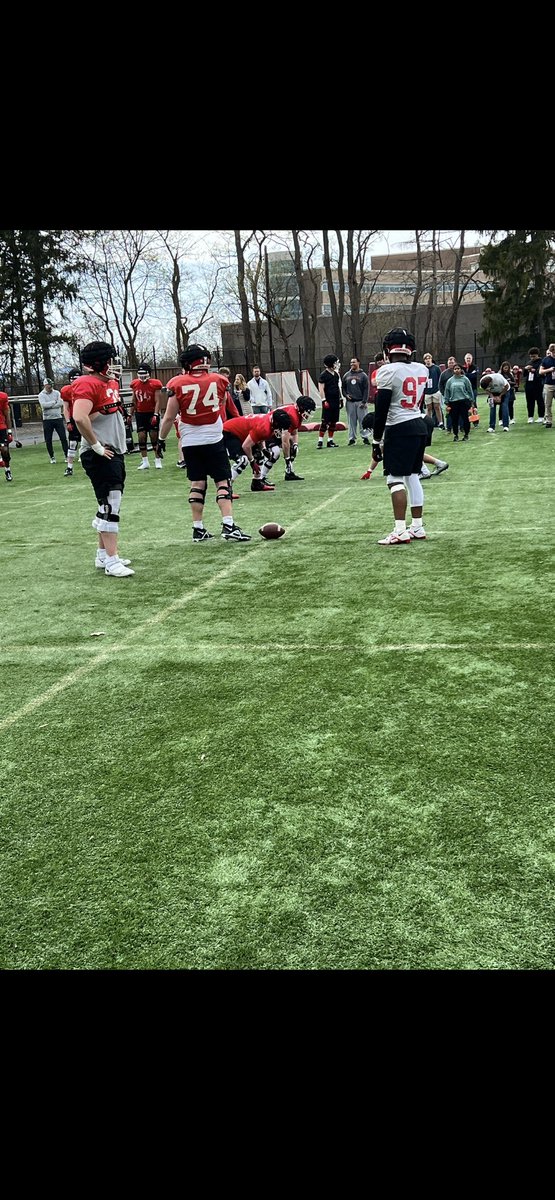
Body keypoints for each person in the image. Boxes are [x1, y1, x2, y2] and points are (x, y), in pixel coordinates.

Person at [159, 343, 251, 542]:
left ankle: (198, 528)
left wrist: (160, 439)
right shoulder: (219, 380)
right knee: (222, 481)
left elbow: (168, 417)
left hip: (190, 440)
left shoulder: (177, 382)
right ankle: (228, 525)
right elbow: (221, 407)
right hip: (212, 437)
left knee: (197, 482)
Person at [72, 341, 134, 576]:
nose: (113, 364)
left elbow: (98, 411)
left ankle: (102, 556)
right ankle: (111, 560)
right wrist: (96, 446)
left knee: (107, 503)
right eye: (110, 360)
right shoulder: (86, 383)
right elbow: (79, 416)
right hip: (101, 451)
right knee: (111, 504)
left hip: (113, 449)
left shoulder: (106, 382)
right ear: (99, 363)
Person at [370, 327, 429, 545]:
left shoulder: (387, 371)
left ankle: (399, 529)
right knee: (413, 476)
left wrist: (376, 441)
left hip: (399, 427)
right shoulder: (422, 369)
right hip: (418, 424)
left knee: (394, 479)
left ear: (387, 349)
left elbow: (382, 409)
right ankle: (417, 526)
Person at [222, 408, 292, 491]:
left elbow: (258, 437)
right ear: (276, 423)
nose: (282, 431)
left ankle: (257, 483)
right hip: (229, 432)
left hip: (239, 433)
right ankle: (226, 488)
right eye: (281, 428)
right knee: (243, 460)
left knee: (259, 456)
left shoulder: (270, 421)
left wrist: (263, 449)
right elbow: (246, 446)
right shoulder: (265, 427)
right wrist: (252, 462)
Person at [130, 363, 164, 469]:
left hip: (151, 413)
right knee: (141, 437)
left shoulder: (155, 384)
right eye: (140, 373)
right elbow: (134, 400)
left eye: (144, 373)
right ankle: (145, 461)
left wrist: (155, 413)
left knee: (154, 436)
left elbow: (157, 400)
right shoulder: (134, 384)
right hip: (140, 413)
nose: (142, 376)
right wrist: (130, 414)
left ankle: (157, 459)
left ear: (149, 373)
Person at [276, 395, 316, 480]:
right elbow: (285, 441)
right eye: (308, 411)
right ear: (302, 408)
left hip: (278, 430)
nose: (309, 413)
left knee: (293, 449)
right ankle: (260, 478)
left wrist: (295, 444)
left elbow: (294, 432)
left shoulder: (297, 414)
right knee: (274, 453)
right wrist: (287, 459)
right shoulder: (292, 415)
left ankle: (289, 472)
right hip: (271, 430)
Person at [38, 378, 69, 464]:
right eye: (49, 385)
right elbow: (44, 405)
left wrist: (52, 404)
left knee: (63, 437)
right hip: (47, 420)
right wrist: (54, 402)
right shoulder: (41, 395)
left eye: (51, 385)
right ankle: (52, 457)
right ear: (45, 385)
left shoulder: (57, 393)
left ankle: (66, 455)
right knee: (48, 439)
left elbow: (60, 403)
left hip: (58, 418)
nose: (51, 386)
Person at [342, 355, 370, 445]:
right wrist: (346, 395)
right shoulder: (346, 375)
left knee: (363, 421)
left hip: (360, 402)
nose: (352, 364)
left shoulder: (363, 375)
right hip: (350, 402)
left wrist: (364, 401)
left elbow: (366, 389)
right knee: (351, 421)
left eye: (354, 362)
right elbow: (343, 388)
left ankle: (365, 437)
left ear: (358, 363)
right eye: (351, 362)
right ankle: (352, 438)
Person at [443, 363, 474, 441]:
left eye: (458, 369)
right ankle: (456, 435)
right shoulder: (450, 381)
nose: (457, 370)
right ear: (453, 370)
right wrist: (447, 402)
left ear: (461, 370)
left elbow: (469, 390)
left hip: (464, 401)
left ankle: (466, 434)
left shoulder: (465, 379)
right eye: (455, 369)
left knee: (465, 419)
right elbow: (447, 391)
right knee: (454, 419)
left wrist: (472, 401)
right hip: (453, 402)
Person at [317, 353, 343, 448]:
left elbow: (337, 387)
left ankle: (330, 440)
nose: (336, 364)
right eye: (335, 362)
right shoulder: (324, 375)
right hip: (328, 400)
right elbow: (321, 388)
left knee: (333, 421)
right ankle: (320, 441)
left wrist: (340, 398)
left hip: (335, 400)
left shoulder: (336, 374)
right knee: (325, 421)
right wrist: (324, 400)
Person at [60, 368, 82, 476]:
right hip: (74, 418)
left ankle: (91, 465)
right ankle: (69, 467)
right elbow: (65, 408)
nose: (75, 381)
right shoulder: (66, 390)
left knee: (89, 442)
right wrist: (68, 421)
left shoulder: (85, 388)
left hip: (85, 418)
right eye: (73, 379)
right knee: (73, 443)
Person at [523, 348, 545, 423]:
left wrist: (534, 370)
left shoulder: (542, 362)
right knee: (529, 401)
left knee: (540, 400)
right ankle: (530, 416)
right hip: (529, 384)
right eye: (531, 356)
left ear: (537, 355)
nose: (532, 358)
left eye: (534, 356)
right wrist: (525, 369)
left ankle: (541, 416)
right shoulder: (529, 362)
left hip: (538, 384)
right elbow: (524, 374)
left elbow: (541, 373)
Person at [423, 353, 444, 428]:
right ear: (424, 360)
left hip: (435, 390)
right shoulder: (423, 368)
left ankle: (440, 422)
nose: (428, 360)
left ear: (431, 359)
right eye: (426, 358)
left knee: (437, 407)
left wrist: (439, 389)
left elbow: (440, 378)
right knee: (429, 408)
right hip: (427, 392)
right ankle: (429, 423)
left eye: (429, 358)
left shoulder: (436, 368)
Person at [538, 343, 555, 429]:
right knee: (547, 404)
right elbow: (540, 372)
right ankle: (548, 421)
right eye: (553, 352)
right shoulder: (546, 360)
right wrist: (550, 369)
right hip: (549, 384)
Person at [439, 356, 456, 432]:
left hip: (457, 395)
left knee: (458, 411)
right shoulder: (443, 374)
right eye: (449, 363)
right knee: (448, 411)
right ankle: (449, 427)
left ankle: (459, 426)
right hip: (447, 396)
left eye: (452, 363)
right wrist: (444, 394)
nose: (451, 364)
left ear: (455, 363)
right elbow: (440, 385)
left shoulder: (458, 372)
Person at [0, 389, 13, 481]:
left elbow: (7, 414)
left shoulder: (2, 397)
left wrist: (9, 431)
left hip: (1, 427)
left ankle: (7, 470)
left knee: (4, 450)